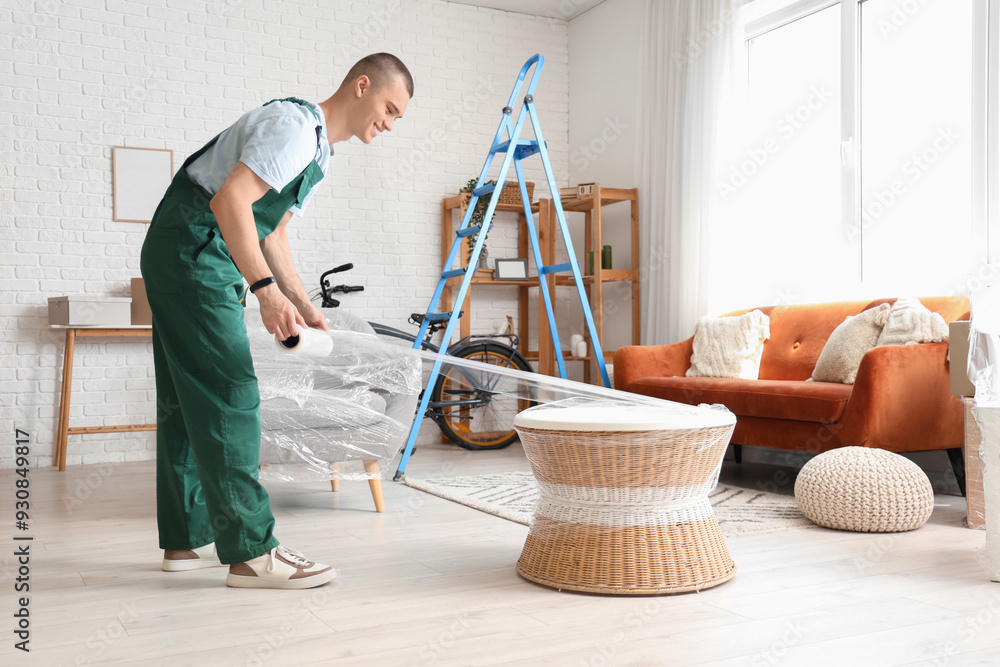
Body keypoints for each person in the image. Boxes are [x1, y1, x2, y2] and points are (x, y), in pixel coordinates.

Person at [139, 53, 413, 589]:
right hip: (195, 246)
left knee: (184, 398)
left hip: (185, 249)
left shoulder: (320, 153)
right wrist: (264, 292)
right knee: (230, 393)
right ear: (362, 86)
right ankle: (251, 553)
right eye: (390, 108)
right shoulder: (293, 128)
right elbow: (230, 201)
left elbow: (273, 232)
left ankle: (184, 538)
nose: (390, 122)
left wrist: (302, 302)